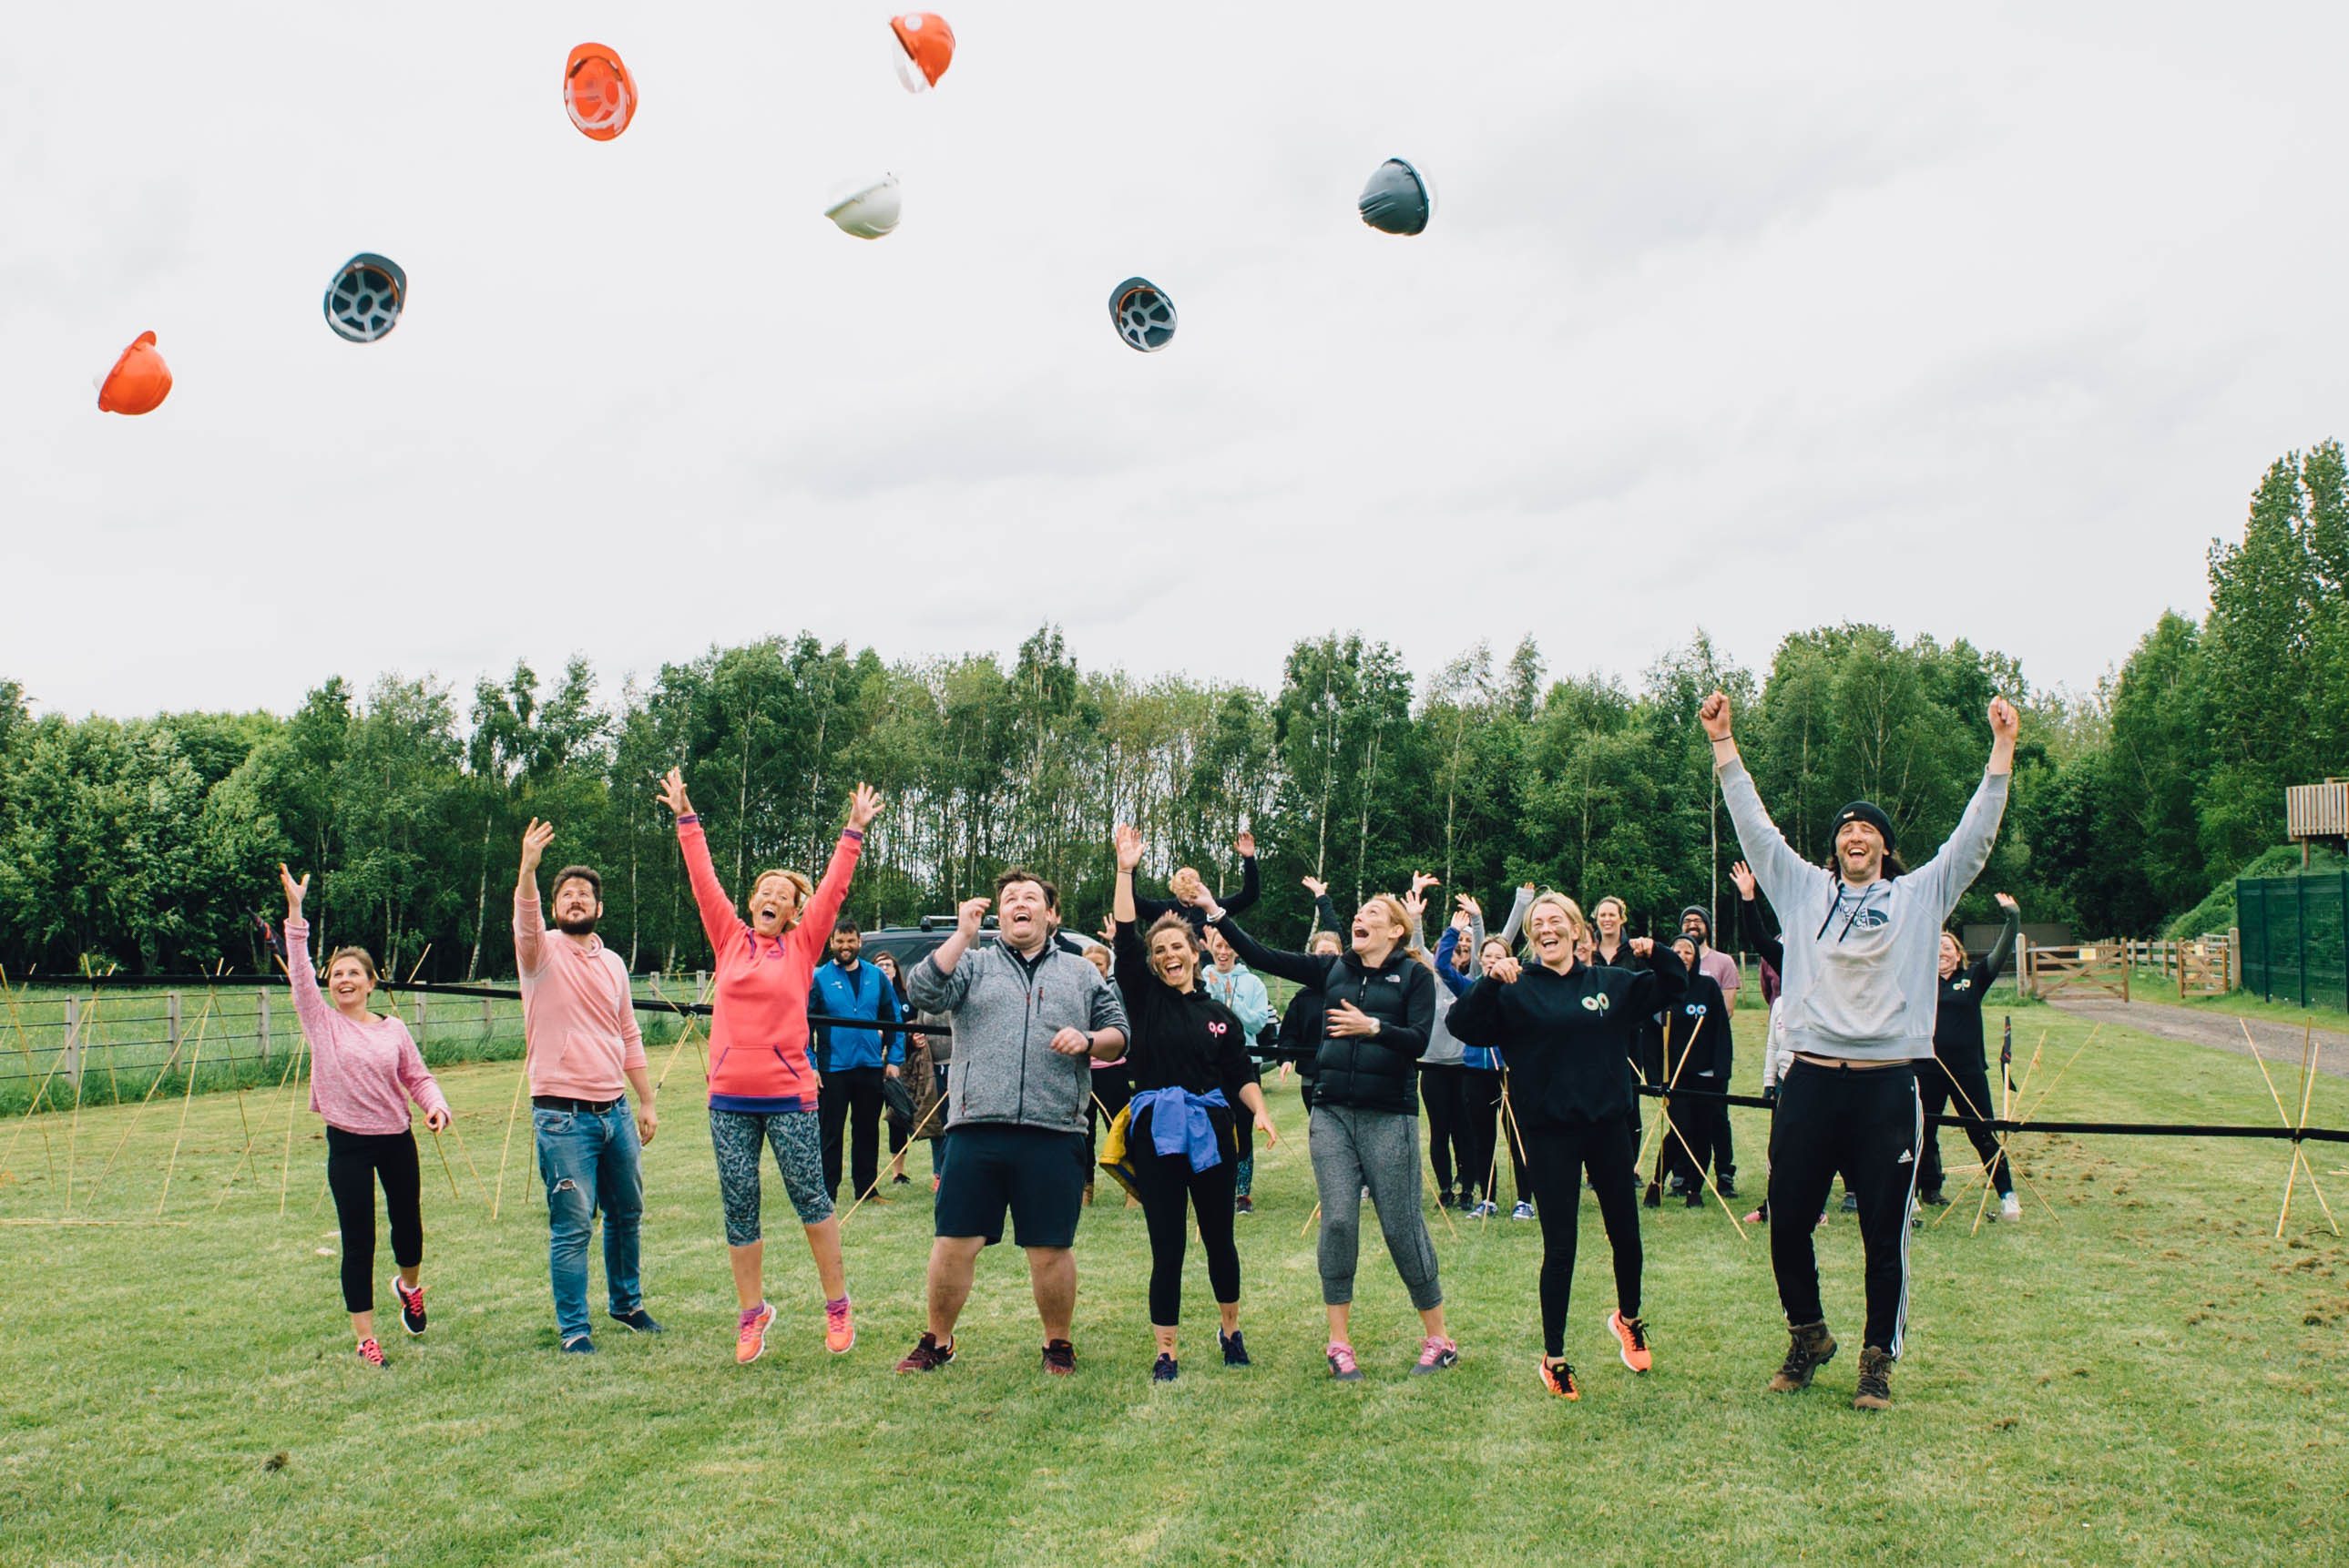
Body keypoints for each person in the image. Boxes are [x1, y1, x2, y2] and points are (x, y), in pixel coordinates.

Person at [1703, 687, 2017, 1411]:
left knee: (1883, 1232)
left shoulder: (1918, 897)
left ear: (1882, 847)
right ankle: (1807, 1335)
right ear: (1833, 845)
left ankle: (1876, 1360)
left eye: (1867, 830)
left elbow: (1972, 838)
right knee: (1786, 1220)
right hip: (1810, 1080)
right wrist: (1724, 743)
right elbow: (1754, 828)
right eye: (1845, 828)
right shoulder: (1800, 890)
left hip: (1884, 1086)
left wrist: (2000, 752)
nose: (1855, 835)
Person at [1188, 882, 1456, 1381]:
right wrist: (1214, 912)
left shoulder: (1414, 976)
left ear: (1395, 930)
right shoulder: (1332, 969)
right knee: (1337, 1223)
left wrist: (1372, 1027)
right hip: (1331, 1112)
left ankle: (1439, 1338)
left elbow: (1419, 1039)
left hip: (1389, 1117)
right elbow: (1260, 954)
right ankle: (1339, 1343)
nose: (1361, 916)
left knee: (1401, 1227)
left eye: (1373, 912)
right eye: (1360, 910)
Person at [662, 769, 880, 1364]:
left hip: (788, 1096)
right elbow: (702, 879)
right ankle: (751, 1314)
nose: (769, 898)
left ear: (792, 912)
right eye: (762, 890)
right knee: (739, 1205)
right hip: (729, 1099)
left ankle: (837, 1305)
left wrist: (852, 832)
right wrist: (686, 816)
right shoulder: (728, 939)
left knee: (812, 1198)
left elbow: (832, 891)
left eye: (781, 896)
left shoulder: (804, 945)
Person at [1451, 892, 1685, 1400]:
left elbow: (1673, 985)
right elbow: (1461, 1025)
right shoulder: (1516, 988)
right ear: (1532, 937)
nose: (1547, 928)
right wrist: (1490, 981)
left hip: (1607, 1127)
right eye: (1539, 923)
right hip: (1549, 1133)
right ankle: (1554, 1357)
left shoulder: (1611, 984)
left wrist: (1654, 950)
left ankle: (1629, 1319)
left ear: (1578, 931)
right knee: (1561, 1248)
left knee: (1626, 1232)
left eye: (1557, 921)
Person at [896, 871, 1129, 1375]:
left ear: (1053, 914)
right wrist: (961, 935)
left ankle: (1058, 1345)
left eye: (1030, 898)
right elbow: (923, 991)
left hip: (1055, 1130)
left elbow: (1119, 1033)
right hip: (976, 1126)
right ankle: (937, 1340)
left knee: (1050, 1248)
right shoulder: (972, 964)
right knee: (955, 1242)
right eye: (1009, 899)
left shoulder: (1082, 972)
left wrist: (1089, 1041)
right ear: (999, 914)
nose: (1018, 905)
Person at [1108, 825, 1280, 1380]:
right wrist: (1126, 870)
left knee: (1220, 1240)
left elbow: (1239, 1074)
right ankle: (1166, 1350)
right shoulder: (1143, 999)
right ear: (1154, 962)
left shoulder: (1221, 1016)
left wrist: (1261, 1109)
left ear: (1195, 950)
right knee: (1168, 1246)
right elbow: (1126, 935)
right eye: (1160, 951)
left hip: (1212, 1134)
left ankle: (1231, 1332)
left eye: (1177, 946)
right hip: (1157, 1133)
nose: (1168, 955)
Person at [279, 864, 450, 1368]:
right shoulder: (319, 1020)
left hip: (397, 1138)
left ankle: (410, 1287)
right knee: (359, 1240)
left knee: (408, 1228)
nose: (343, 979)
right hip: (348, 1143)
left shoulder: (392, 1029)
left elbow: (418, 1078)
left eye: (354, 973)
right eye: (336, 974)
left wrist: (435, 1106)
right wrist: (296, 911)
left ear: (371, 983)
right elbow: (299, 968)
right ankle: (366, 1337)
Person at [515, 820, 660, 1354]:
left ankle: (627, 1304)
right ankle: (575, 1330)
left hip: (616, 1113)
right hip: (562, 1118)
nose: (575, 900)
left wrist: (645, 1100)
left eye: (585, 894)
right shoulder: (540, 954)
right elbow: (526, 923)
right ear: (554, 907)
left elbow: (627, 1032)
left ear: (599, 908)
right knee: (574, 1226)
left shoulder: (615, 963)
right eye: (566, 894)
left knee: (627, 1213)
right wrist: (529, 870)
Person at [1921, 893, 2023, 1220]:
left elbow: (2002, 951)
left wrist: (2012, 918)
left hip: (1968, 1073)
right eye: (1935, 947)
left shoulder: (1974, 978)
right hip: (1927, 1070)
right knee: (1921, 1132)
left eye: (1947, 947)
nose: (1941, 952)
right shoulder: (1918, 983)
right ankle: (1922, 1192)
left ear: (1958, 954)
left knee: (1982, 1133)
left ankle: (2007, 1195)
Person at [811, 919, 905, 1207]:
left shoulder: (876, 976)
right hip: (832, 1069)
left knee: (867, 1131)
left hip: (870, 1067)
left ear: (859, 942)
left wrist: (895, 1057)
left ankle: (867, 1191)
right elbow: (804, 1025)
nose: (845, 946)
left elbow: (893, 1019)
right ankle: (827, 1193)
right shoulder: (819, 977)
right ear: (832, 944)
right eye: (840, 941)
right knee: (830, 1134)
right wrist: (810, 1064)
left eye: (851, 940)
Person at [1647, 936, 1731, 1210]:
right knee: (1680, 1130)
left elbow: (1721, 1030)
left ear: (1696, 957)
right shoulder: (1662, 988)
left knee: (1703, 1132)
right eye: (1677, 951)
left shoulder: (1707, 986)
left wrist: (1721, 1071)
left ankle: (1695, 1190)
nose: (1683, 955)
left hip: (1706, 1075)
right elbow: (1651, 1036)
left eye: (1689, 951)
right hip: (1675, 1075)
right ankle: (1657, 1183)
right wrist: (1657, 1075)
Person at [1198, 921, 1273, 1214]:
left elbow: (1257, 1023)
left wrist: (1231, 1005)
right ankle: (1214, 1186)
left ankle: (1243, 1193)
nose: (1224, 951)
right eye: (1219, 945)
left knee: (1243, 1129)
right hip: (1207, 1065)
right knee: (1210, 1128)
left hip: (1243, 1064)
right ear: (1210, 947)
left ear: (1237, 951)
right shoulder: (1202, 978)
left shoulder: (1253, 983)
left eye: (1229, 946)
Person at [1677, 904, 1741, 1197]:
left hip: (1709, 1060)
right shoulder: (1674, 964)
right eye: (1687, 921)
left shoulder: (1723, 962)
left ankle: (1724, 1173)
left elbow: (1725, 1011)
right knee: (1683, 1121)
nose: (1692, 924)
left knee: (1716, 1119)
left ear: (1707, 926)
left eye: (1698, 920)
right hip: (1681, 1065)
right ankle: (1681, 1175)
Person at [1080, 927, 1132, 1208]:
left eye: (1098, 965)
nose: (1094, 969)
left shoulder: (1115, 991)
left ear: (1106, 967)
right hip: (1082, 1072)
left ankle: (1133, 1187)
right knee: (1084, 1133)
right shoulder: (1073, 991)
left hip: (1112, 1070)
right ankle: (1085, 1189)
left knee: (1120, 1127)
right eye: (1088, 965)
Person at [1132, 832, 1262, 935]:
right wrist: (1130, 868)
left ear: (1200, 885)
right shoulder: (1164, 909)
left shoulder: (1214, 908)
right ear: (1174, 886)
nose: (1187, 881)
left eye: (1192, 878)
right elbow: (1131, 901)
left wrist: (1249, 859)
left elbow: (1250, 895)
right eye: (1182, 878)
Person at [871, 951, 915, 1185]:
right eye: (880, 965)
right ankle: (868, 1172)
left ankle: (898, 1172)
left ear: (897, 970)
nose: (885, 969)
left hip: (897, 1066)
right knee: (868, 1119)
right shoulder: (868, 995)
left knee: (896, 1116)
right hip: (870, 1064)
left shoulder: (906, 999)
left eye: (889, 965)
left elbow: (915, 1028)